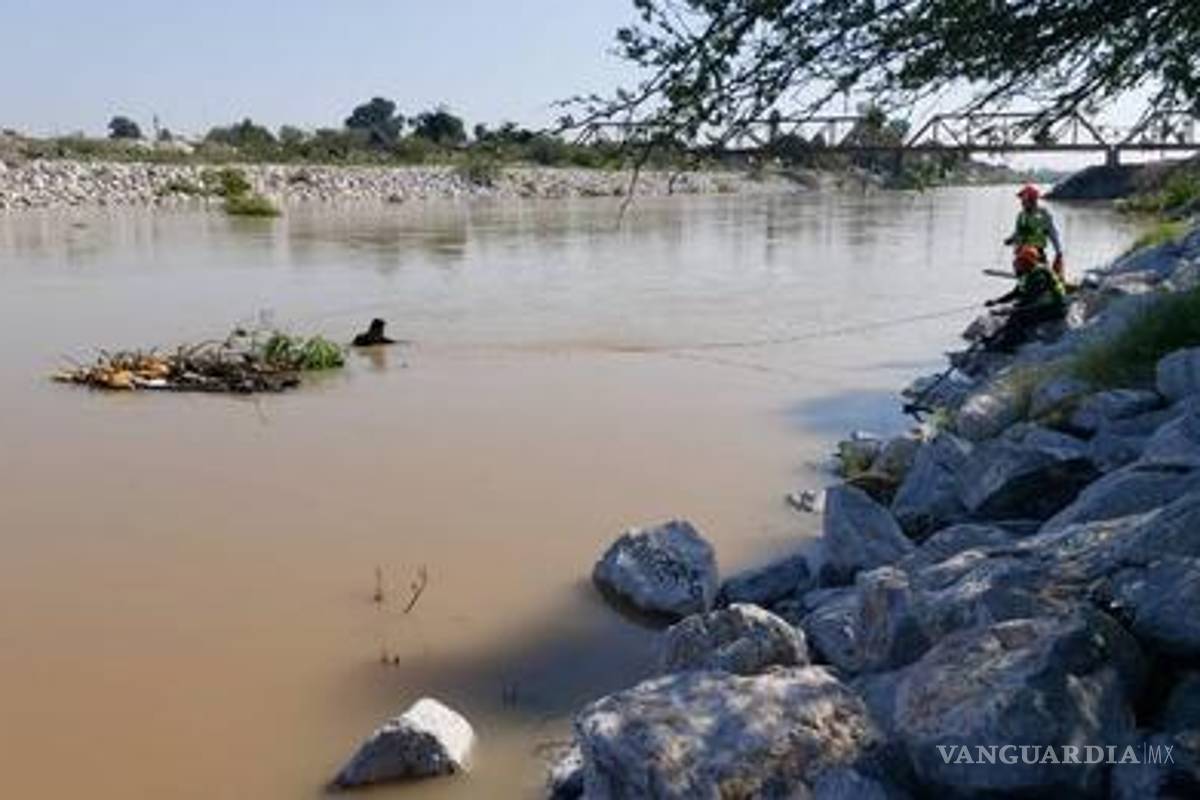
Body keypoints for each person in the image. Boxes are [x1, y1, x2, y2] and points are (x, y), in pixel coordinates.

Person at [983, 245, 1068, 352]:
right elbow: (1016, 293)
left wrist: (1010, 309)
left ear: (1029, 262)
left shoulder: (1039, 275)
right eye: (1018, 261)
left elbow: (1032, 298)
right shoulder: (1027, 274)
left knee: (1018, 317)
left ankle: (1011, 345)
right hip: (1043, 305)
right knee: (1015, 314)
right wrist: (996, 301)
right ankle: (995, 339)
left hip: (1055, 308)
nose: (1017, 264)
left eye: (1020, 262)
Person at [1005, 184, 1066, 280]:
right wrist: (1011, 239)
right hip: (1022, 254)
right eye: (1022, 200)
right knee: (1024, 279)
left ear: (1032, 200)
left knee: (1044, 277)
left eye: (1024, 200)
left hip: (1038, 253)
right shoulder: (1021, 216)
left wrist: (1058, 252)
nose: (1022, 202)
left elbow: (1052, 233)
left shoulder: (1043, 215)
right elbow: (1018, 232)